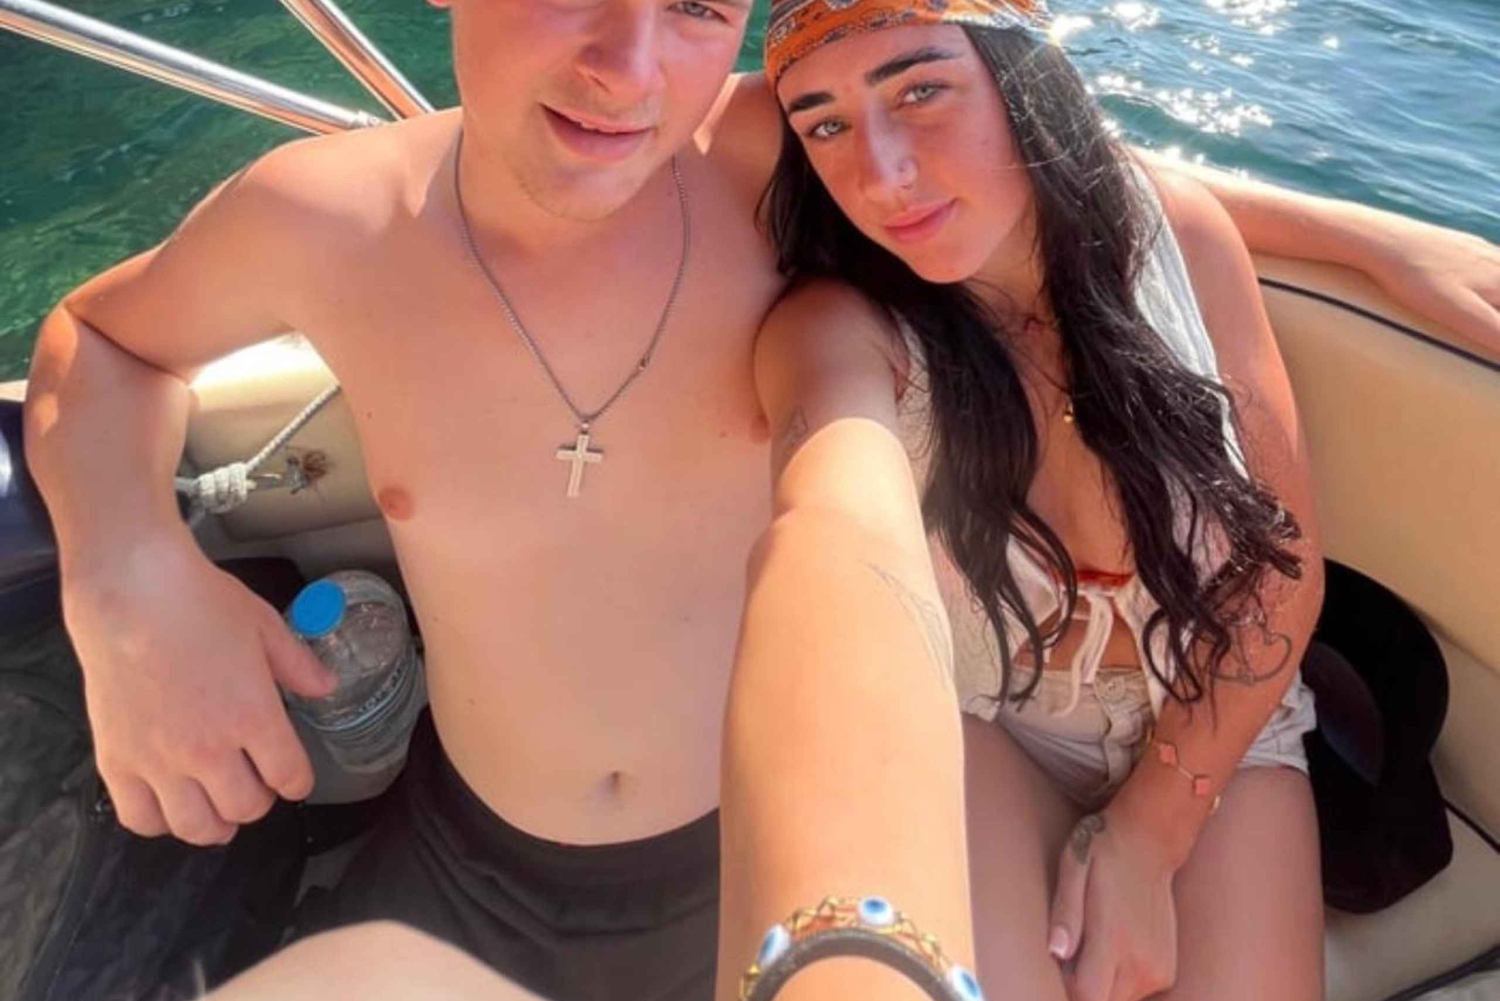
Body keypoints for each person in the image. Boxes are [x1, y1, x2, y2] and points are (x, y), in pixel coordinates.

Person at [19, 0, 1498, 997]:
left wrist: (1373, 245)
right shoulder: (318, 217)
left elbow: (1047, 184)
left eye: (694, 5)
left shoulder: (754, 163)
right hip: (468, 850)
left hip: (754, 837)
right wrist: (128, 572)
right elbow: (103, 337)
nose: (628, 68)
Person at [758, 1, 1335, 998]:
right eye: (826, 124)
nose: (881, 173)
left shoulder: (1180, 245)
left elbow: (1280, 571)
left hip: (1215, 707)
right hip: (991, 725)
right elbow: (826, 526)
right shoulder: (846, 332)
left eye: (921, 90)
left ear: (1021, 77)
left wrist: (1150, 833)